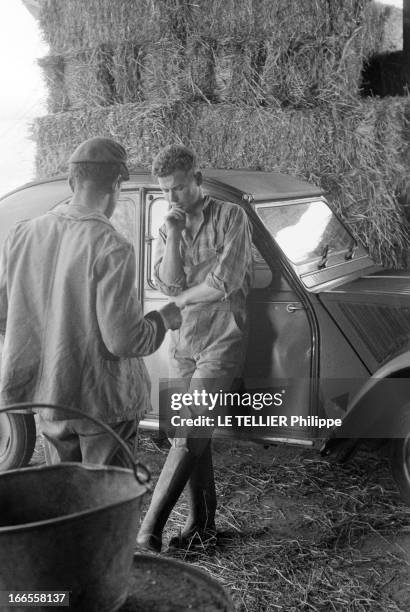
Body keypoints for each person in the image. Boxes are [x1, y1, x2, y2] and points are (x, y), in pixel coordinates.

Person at [0, 137, 181, 466]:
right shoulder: (112, 246)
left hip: (51, 402)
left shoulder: (21, 235)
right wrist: (164, 319)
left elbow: (4, 311)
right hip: (102, 407)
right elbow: (125, 340)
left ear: (72, 181)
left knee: (65, 495)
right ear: (116, 184)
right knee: (104, 503)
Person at [137, 144, 253, 552]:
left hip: (223, 338)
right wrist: (173, 237)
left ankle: (148, 531)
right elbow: (166, 285)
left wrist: (184, 300)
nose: (173, 198)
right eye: (166, 190)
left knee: (189, 429)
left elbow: (224, 283)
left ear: (198, 181)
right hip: (183, 343)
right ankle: (202, 523)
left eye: (181, 188)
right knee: (188, 432)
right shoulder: (168, 223)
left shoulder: (231, 216)